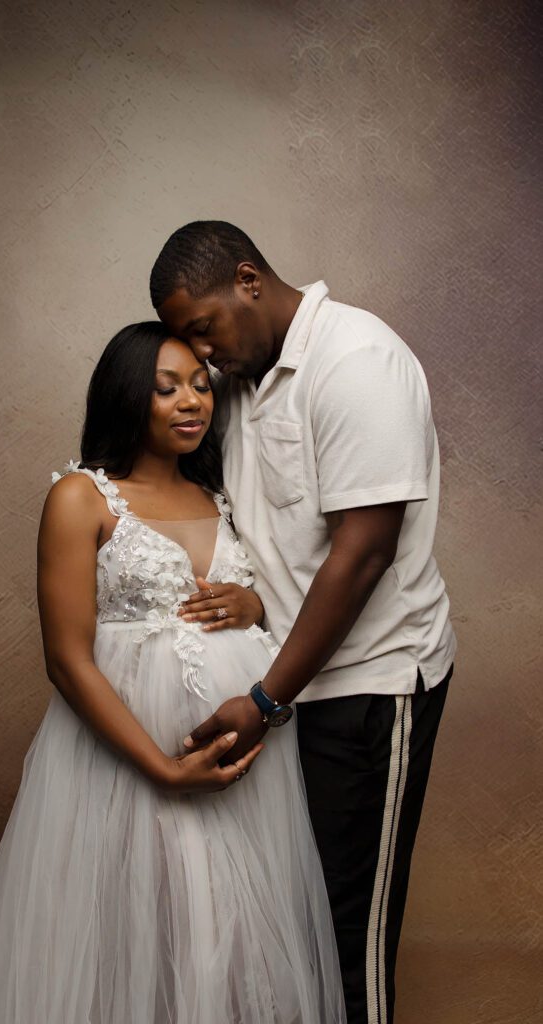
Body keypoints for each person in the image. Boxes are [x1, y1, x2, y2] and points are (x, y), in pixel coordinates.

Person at [0, 321, 345, 1024]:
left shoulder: (222, 495)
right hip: (130, 754)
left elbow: (280, 591)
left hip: (244, 754)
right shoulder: (81, 497)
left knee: (229, 925)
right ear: (126, 394)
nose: (192, 402)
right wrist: (162, 768)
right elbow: (66, 658)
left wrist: (253, 602)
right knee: (135, 918)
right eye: (167, 388)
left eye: (201, 386)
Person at [150, 221, 457, 1024]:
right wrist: (254, 613)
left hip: (367, 685)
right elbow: (270, 535)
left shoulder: (356, 360)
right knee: (293, 934)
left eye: (203, 328)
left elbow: (362, 553)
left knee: (347, 941)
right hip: (286, 684)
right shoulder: (241, 380)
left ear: (248, 280)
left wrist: (263, 700)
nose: (201, 354)